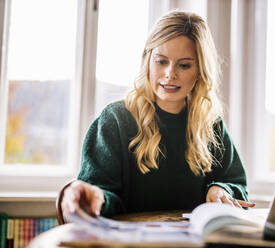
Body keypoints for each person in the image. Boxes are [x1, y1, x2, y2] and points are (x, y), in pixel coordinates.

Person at [60, 10, 254, 220]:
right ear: (148, 62)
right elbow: (99, 195)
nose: (170, 74)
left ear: (199, 71)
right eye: (162, 61)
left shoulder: (211, 125)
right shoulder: (114, 120)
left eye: (184, 65)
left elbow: (237, 185)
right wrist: (98, 196)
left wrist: (220, 189)